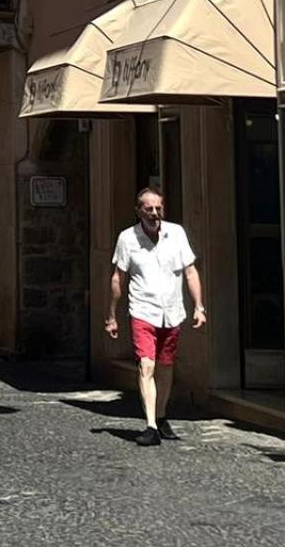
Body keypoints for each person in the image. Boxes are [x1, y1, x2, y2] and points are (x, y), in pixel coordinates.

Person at [106, 188, 205, 446]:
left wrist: (199, 306)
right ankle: (150, 425)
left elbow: (190, 271)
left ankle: (161, 417)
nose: (154, 213)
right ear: (139, 211)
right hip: (143, 311)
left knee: (166, 367)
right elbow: (118, 277)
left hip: (172, 311)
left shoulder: (177, 234)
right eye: (148, 209)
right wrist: (112, 315)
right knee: (146, 365)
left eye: (158, 208)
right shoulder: (127, 239)